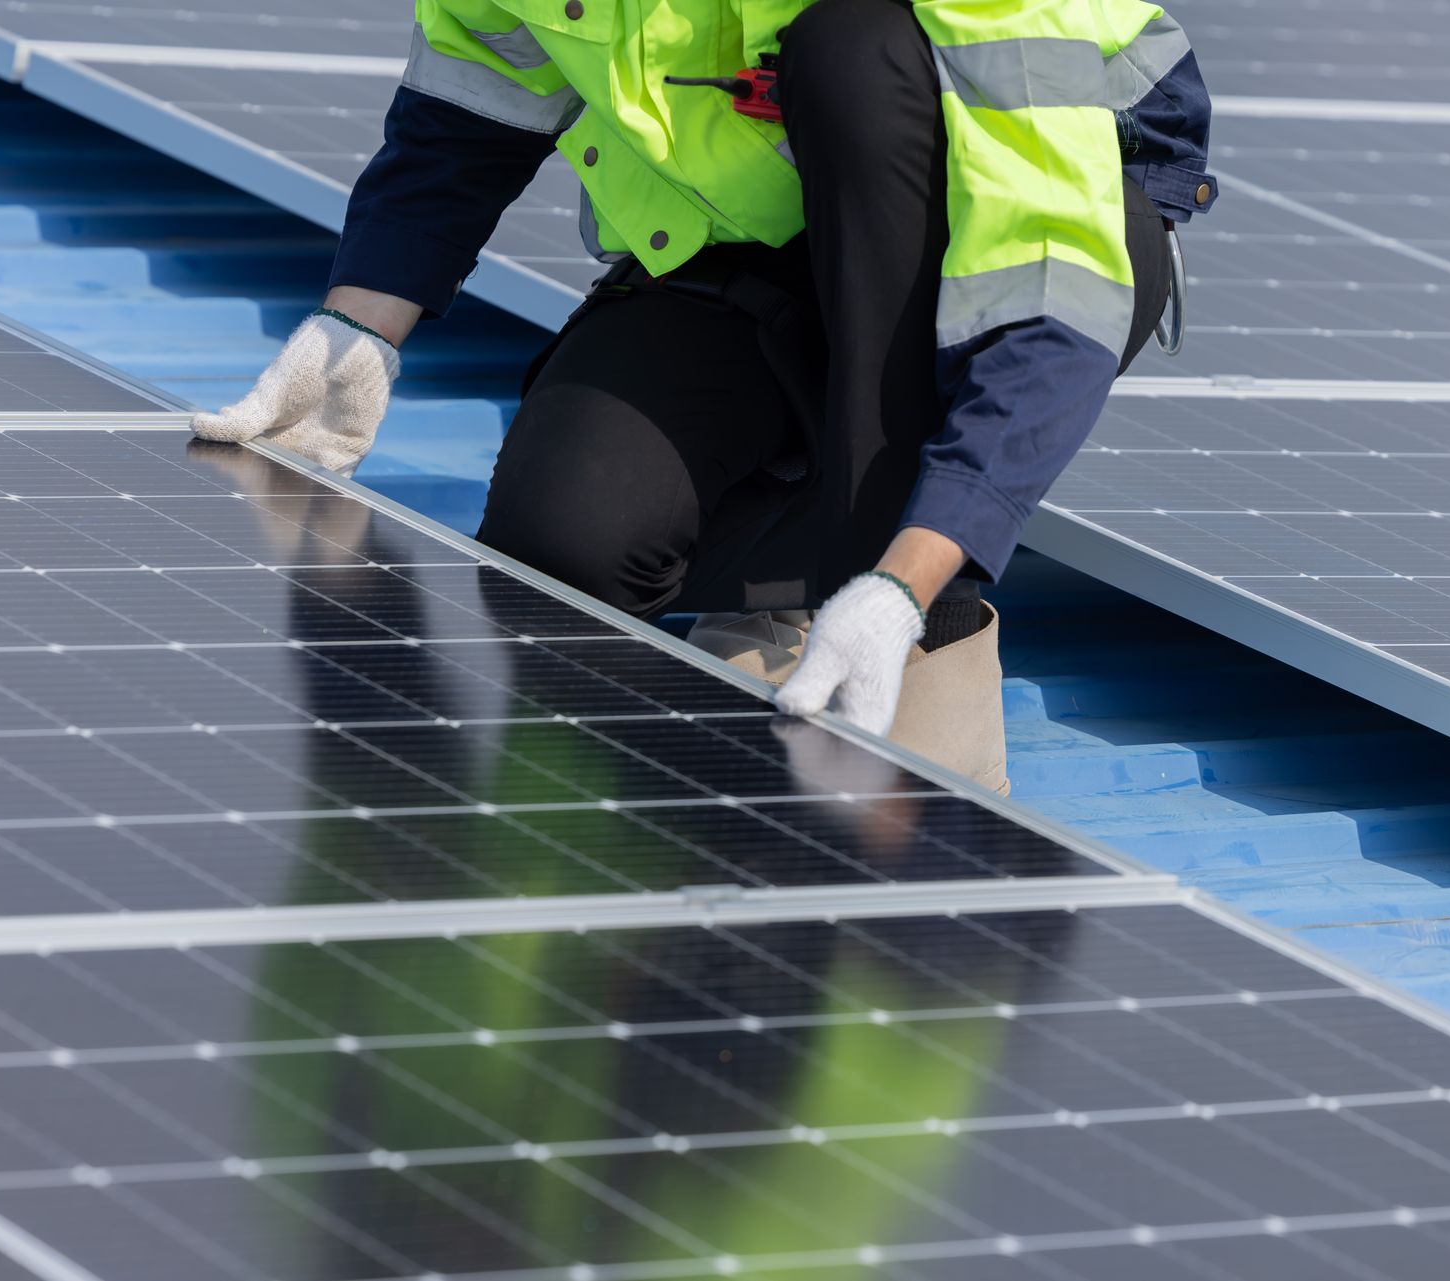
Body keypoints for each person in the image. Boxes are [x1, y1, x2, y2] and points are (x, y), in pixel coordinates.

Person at [193, 0, 1217, 792]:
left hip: (1046, 226)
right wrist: (358, 332)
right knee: (566, 539)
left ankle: (921, 674)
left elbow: (1048, 275)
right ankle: (780, 612)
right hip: (756, 246)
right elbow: (468, 110)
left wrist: (907, 582)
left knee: (852, 51)